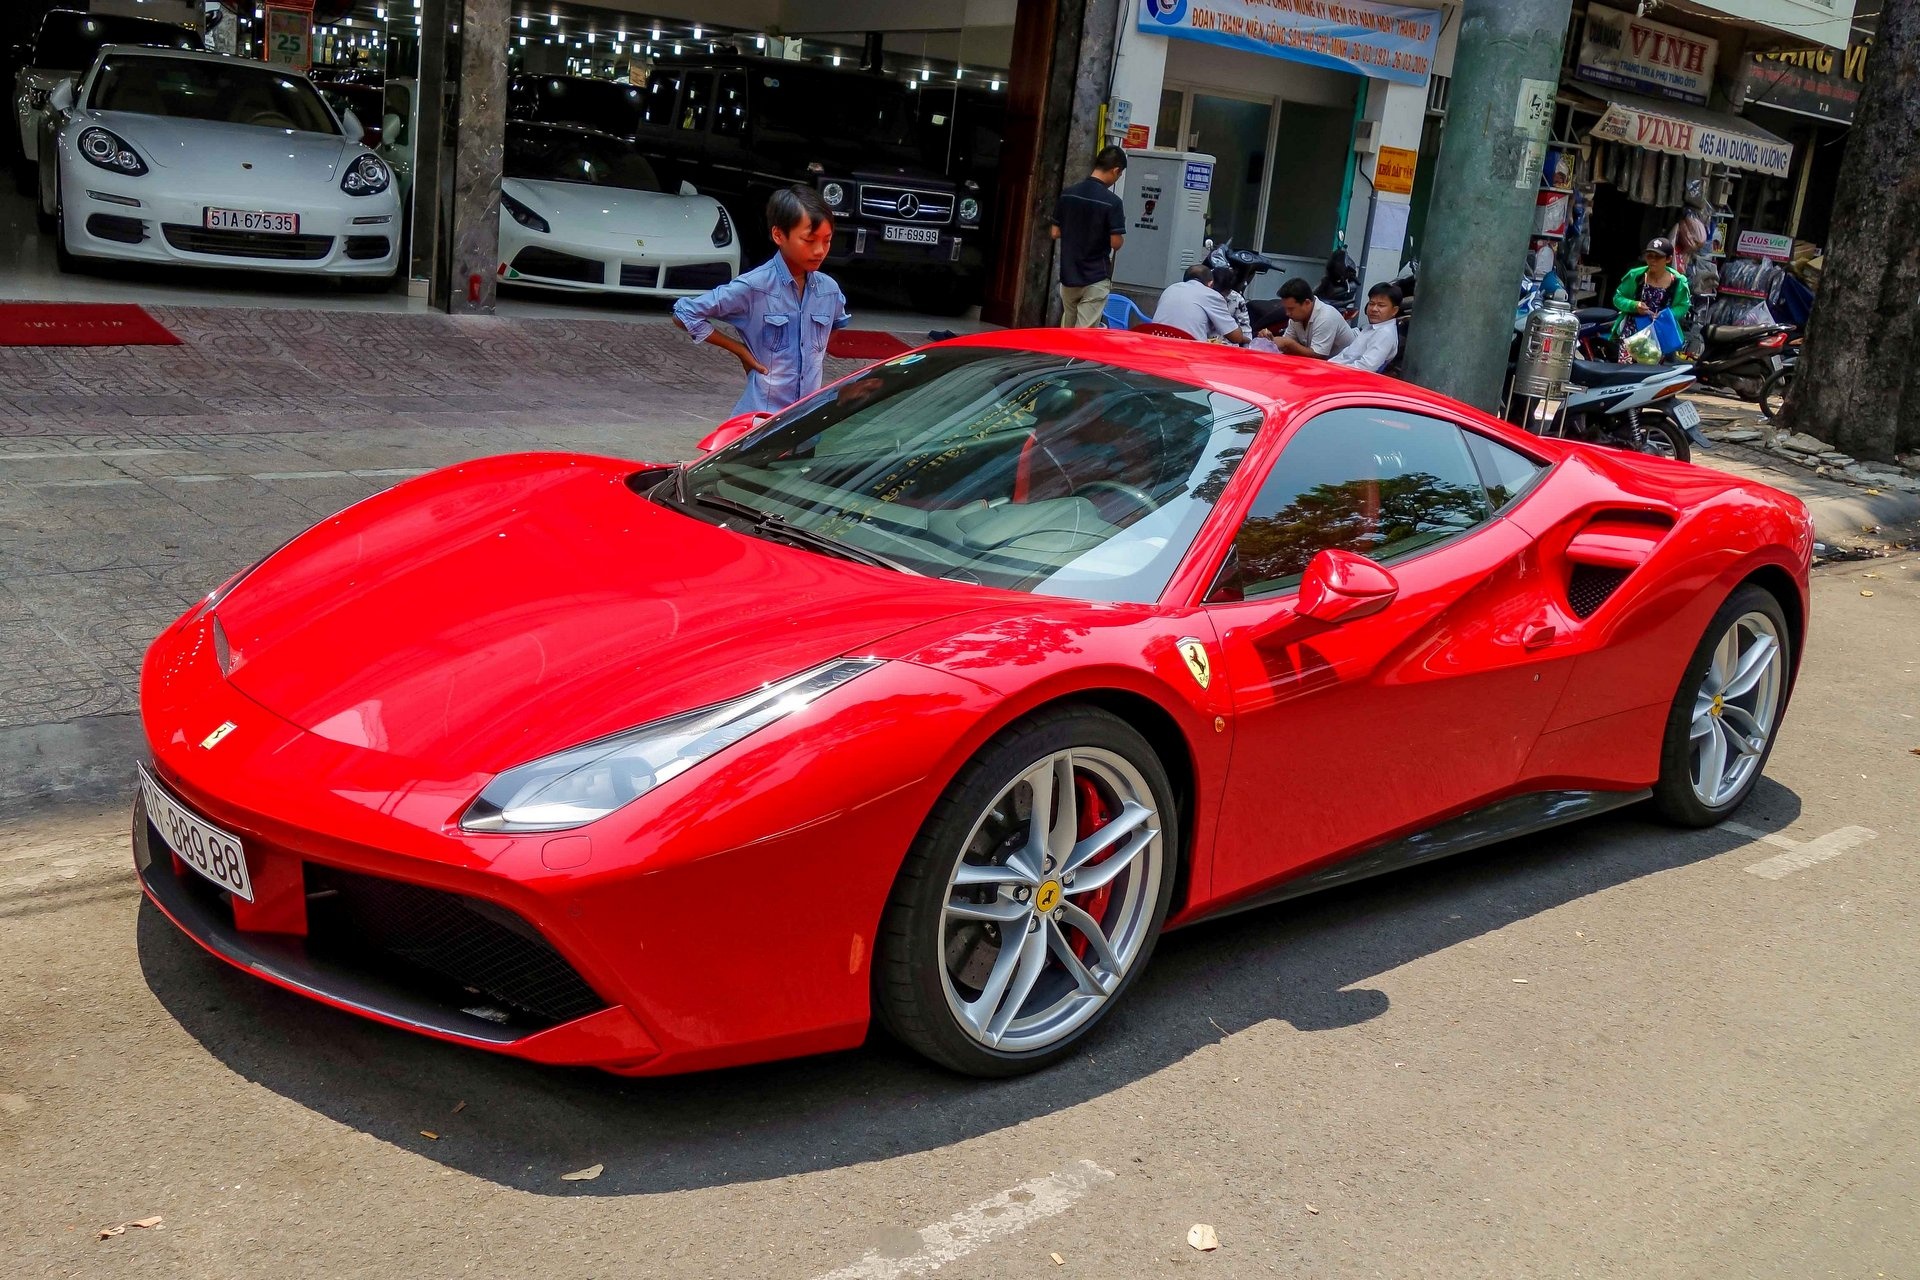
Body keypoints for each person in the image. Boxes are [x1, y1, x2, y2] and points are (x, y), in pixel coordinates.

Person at [672, 185, 850, 415]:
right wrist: (741, 351)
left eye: (827, 241)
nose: (819, 250)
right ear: (778, 235)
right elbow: (684, 313)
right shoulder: (754, 286)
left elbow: (836, 326)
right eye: (809, 240)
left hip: (806, 423)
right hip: (761, 422)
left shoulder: (829, 290)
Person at [1050, 146, 1128, 327]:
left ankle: (1062, 356)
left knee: (1066, 333)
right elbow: (1115, 243)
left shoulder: (1068, 193)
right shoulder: (1112, 202)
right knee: (1083, 337)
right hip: (1095, 276)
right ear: (1116, 170)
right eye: (1119, 174)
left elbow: (1055, 232)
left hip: (1069, 274)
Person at [1611, 236, 1691, 363]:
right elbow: (1618, 298)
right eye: (1649, 256)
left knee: (1649, 374)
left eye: (1658, 257)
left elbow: (1683, 306)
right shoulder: (1635, 276)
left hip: (1659, 333)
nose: (1653, 261)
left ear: (1669, 259)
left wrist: (1666, 315)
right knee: (1626, 371)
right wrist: (1634, 305)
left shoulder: (1678, 282)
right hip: (1632, 332)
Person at [1151, 265, 1249, 344]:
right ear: (1211, 284)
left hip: (1157, 344)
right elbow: (1236, 337)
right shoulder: (1211, 295)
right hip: (1188, 350)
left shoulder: (1170, 289)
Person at [1266, 277, 1356, 359]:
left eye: (1291, 309)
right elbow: (1285, 346)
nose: (1287, 313)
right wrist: (1270, 340)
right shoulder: (1295, 318)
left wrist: (1289, 344)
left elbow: (1318, 356)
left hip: (1345, 366)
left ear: (1307, 303)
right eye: (1286, 308)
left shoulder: (1326, 317)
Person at [1329, 283, 1404, 373]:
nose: (1374, 309)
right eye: (1371, 304)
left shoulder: (1385, 334)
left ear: (1394, 310)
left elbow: (1366, 367)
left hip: (1346, 376)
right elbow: (1346, 355)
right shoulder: (1372, 328)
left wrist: (1334, 371)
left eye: (1381, 305)